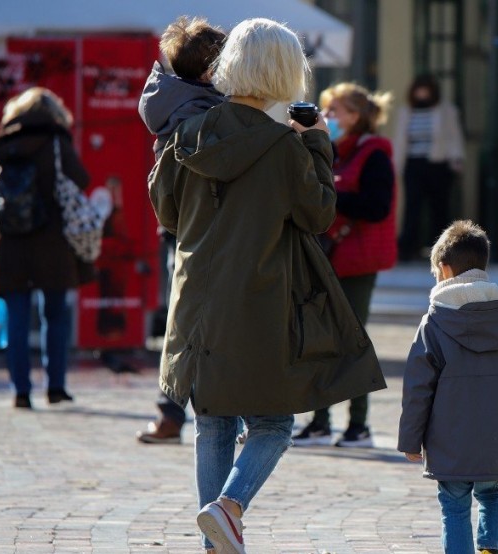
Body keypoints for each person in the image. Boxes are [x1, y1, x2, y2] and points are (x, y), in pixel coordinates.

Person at [148, 18, 384, 554]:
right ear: (285, 73)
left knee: (213, 423)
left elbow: (165, 211)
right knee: (274, 424)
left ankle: (216, 543)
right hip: (257, 302)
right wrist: (319, 145)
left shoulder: (187, 132)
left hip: (195, 302)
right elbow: (319, 214)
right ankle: (227, 508)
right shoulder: (283, 147)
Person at [398, 219, 498, 554]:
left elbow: (418, 388)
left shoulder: (433, 322)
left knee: (454, 508)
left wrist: (409, 440)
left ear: (444, 269)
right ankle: (491, 549)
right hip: (497, 440)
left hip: (449, 442)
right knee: (493, 495)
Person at [136, 16, 226, 444]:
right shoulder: (204, 112)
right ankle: (182, 412)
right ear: (210, 71)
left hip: (180, 226)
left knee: (184, 318)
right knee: (193, 321)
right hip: (204, 228)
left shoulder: (172, 99)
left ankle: (172, 412)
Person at [291, 82, 397, 448]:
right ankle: (320, 422)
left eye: (335, 111)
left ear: (356, 116)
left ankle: (359, 425)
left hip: (357, 261)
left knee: (352, 341)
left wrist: (332, 194)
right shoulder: (332, 149)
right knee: (320, 341)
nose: (328, 118)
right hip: (328, 257)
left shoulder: (374, 153)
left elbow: (377, 206)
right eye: (327, 111)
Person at [0, 87, 92, 409]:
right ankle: (55, 387)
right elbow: (81, 179)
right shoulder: (56, 143)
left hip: (9, 246)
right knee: (54, 316)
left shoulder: (1, 146)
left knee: (16, 319)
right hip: (51, 244)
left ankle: (21, 391)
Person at [394, 74, 465, 261]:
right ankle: (409, 248)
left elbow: (453, 135)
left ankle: (444, 249)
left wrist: (456, 159)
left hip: (438, 164)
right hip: (413, 163)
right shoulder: (406, 111)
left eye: (425, 89)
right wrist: (396, 164)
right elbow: (400, 140)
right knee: (412, 207)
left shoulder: (445, 110)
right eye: (419, 89)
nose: (422, 93)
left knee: (439, 208)